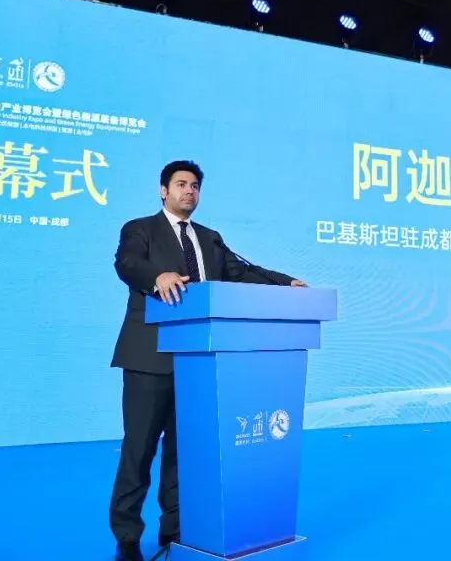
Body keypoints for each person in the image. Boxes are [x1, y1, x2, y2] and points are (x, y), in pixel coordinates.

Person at [108, 160, 306, 561]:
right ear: (163, 190)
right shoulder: (139, 229)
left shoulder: (209, 239)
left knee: (183, 453)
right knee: (139, 450)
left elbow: (242, 271)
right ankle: (127, 537)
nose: (189, 191)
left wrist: (285, 283)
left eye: (195, 186)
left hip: (198, 364)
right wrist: (157, 277)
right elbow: (127, 264)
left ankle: (174, 531)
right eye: (181, 184)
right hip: (150, 357)